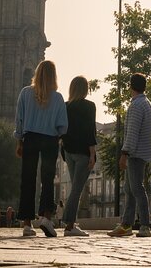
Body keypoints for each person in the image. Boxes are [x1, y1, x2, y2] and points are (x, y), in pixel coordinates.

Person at [14, 60, 68, 237]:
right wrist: (57, 135)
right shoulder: (58, 98)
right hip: (50, 139)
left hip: (30, 138)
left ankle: (27, 223)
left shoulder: (25, 93)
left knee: (28, 180)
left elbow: (19, 120)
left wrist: (19, 141)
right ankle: (46, 217)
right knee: (47, 179)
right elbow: (63, 126)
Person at [108, 73, 151, 238]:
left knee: (136, 189)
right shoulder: (148, 104)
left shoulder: (136, 106)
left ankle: (144, 225)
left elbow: (132, 133)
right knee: (129, 189)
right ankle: (126, 224)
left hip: (135, 153)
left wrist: (124, 153)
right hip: (143, 151)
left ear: (131, 86)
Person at [60, 76, 97, 237]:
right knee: (76, 189)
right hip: (83, 153)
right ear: (85, 89)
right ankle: (69, 225)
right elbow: (90, 131)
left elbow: (61, 129)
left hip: (68, 151)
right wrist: (92, 153)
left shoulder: (65, 106)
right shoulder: (89, 106)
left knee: (74, 188)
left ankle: (69, 223)